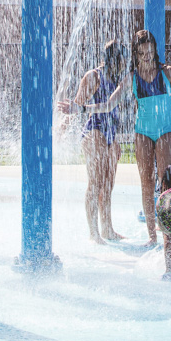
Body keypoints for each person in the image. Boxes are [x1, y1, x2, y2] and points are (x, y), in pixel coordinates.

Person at [58, 30, 171, 246]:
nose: (146, 56)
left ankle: (167, 231)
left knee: (161, 181)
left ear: (154, 50)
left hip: (158, 131)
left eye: (149, 51)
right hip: (134, 132)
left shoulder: (165, 73)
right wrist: (80, 110)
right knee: (140, 183)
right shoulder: (125, 77)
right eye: (141, 52)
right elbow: (108, 104)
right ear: (134, 53)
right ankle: (147, 237)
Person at [65, 40, 127, 244]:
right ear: (113, 58)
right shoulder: (94, 76)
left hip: (110, 135)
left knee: (108, 184)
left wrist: (115, 140)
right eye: (121, 58)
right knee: (96, 183)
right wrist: (63, 126)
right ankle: (94, 233)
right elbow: (77, 104)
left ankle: (107, 229)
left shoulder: (118, 78)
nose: (123, 63)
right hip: (94, 132)